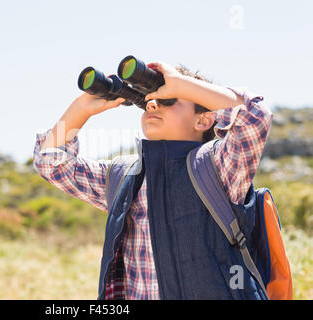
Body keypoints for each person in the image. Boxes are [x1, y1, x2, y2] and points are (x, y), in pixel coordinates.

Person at [33, 61, 273, 299]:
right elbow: (51, 164)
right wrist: (81, 109)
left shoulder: (219, 166)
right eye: (147, 101)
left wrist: (182, 85)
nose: (153, 105)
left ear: (203, 120)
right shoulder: (125, 176)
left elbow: (255, 118)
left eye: (168, 100)